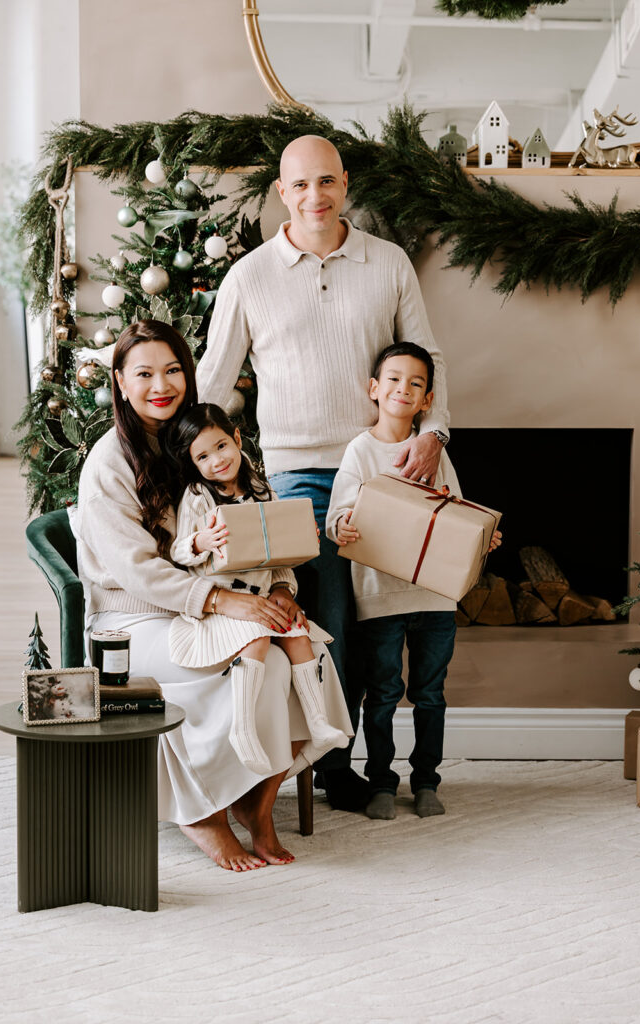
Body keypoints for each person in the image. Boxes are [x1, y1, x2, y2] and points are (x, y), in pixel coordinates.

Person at [196, 134, 451, 812]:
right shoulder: (249, 275)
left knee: (380, 625)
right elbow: (213, 385)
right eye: (301, 184)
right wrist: (184, 468)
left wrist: (433, 434)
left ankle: (367, 763)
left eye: (327, 182)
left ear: (345, 185)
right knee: (330, 615)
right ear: (282, 192)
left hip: (381, 468)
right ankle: (333, 764)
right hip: (294, 477)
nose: (315, 196)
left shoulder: (387, 261)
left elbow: (427, 356)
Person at [72, 319, 349, 872]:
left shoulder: (198, 443)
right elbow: (138, 573)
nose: (162, 384)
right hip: (133, 624)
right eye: (144, 373)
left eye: (173, 370)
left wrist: (275, 589)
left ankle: (256, 805)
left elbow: (255, 533)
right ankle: (201, 812)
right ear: (120, 382)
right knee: (246, 659)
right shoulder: (109, 462)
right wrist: (225, 603)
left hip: (208, 606)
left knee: (298, 651)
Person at [326, 342, 502, 820]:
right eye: (395, 379)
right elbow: (338, 513)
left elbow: (457, 511)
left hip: (436, 596)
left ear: (427, 400)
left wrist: (482, 536)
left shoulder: (433, 451)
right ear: (374, 389)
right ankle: (381, 782)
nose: (404, 389)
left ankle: (426, 781)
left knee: (429, 693)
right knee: (382, 694)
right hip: (380, 598)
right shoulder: (361, 450)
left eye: (417, 384)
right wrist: (340, 525)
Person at [166, 402, 350, 774]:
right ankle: (243, 728)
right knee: (257, 638)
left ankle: (317, 722)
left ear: (236, 439)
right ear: (193, 463)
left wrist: (294, 556)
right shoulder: (198, 496)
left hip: (262, 599)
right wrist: (200, 540)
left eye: (221, 447)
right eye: (203, 456)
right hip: (222, 606)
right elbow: (177, 550)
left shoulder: (263, 491)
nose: (217, 460)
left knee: (298, 632)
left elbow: (280, 560)